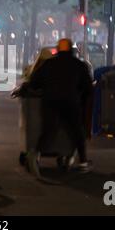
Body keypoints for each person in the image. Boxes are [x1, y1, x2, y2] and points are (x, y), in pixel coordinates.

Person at [28, 38, 94, 173]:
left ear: (57, 49)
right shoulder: (79, 65)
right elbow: (87, 87)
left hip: (50, 101)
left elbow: (34, 82)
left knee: (49, 130)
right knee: (76, 130)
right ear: (71, 50)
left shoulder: (48, 64)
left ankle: (36, 155)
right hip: (71, 102)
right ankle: (83, 162)